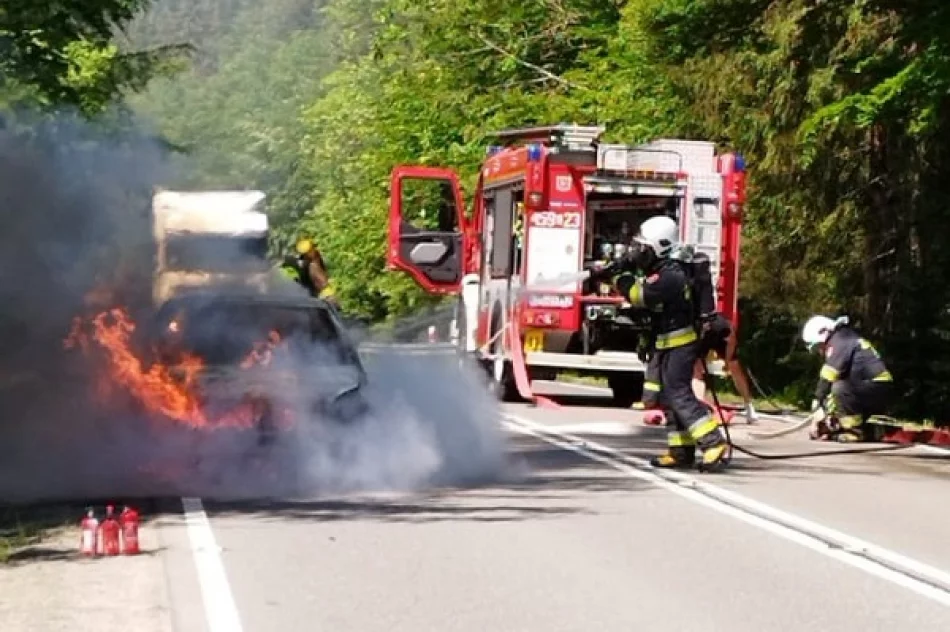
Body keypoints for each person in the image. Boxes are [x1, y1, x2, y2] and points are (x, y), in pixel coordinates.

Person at [601, 215, 730, 471]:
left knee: (678, 393)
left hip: (681, 341)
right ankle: (681, 451)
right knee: (670, 397)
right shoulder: (662, 268)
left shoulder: (671, 274)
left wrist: (619, 278)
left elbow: (640, 295)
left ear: (659, 247)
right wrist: (618, 267)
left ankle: (713, 442)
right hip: (669, 340)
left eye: (644, 247)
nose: (640, 252)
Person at [801, 314, 894, 442]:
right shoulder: (845, 338)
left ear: (825, 332)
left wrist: (818, 403)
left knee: (840, 388)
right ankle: (866, 429)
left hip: (877, 386)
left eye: (818, 346)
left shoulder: (839, 341)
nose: (820, 351)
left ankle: (855, 432)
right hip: (873, 388)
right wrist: (826, 416)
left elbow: (828, 376)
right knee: (839, 390)